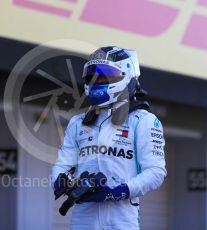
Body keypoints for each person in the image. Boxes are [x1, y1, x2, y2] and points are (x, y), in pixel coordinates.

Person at [51, 46, 167, 230]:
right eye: (92, 75)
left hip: (122, 216)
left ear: (127, 74)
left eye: (105, 75)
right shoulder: (77, 122)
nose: (97, 80)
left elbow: (155, 172)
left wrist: (117, 191)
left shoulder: (143, 121)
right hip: (84, 215)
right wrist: (60, 180)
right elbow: (63, 165)